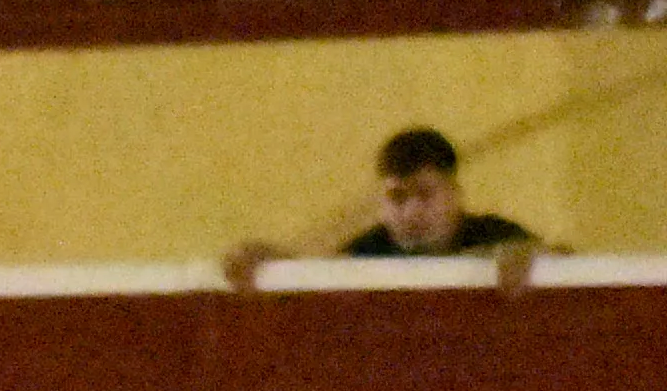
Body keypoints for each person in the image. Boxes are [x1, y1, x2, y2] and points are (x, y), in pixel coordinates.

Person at [224, 124, 540, 291]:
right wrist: (271, 262)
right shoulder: (368, 250)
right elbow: (317, 273)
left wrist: (532, 257)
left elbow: (558, 256)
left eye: (425, 194)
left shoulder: (499, 236)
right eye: (397, 197)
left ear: (455, 195)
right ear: (382, 202)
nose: (412, 211)